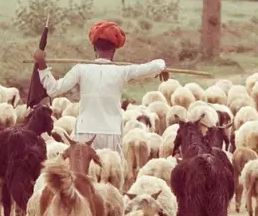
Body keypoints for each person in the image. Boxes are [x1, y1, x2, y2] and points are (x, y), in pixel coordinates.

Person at [33, 21, 168, 155]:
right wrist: (162, 67)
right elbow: (154, 66)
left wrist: (42, 64)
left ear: (94, 48)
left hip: (85, 132)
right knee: (110, 168)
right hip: (111, 133)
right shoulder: (122, 71)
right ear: (114, 50)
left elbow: (53, 89)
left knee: (82, 169)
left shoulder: (81, 69)